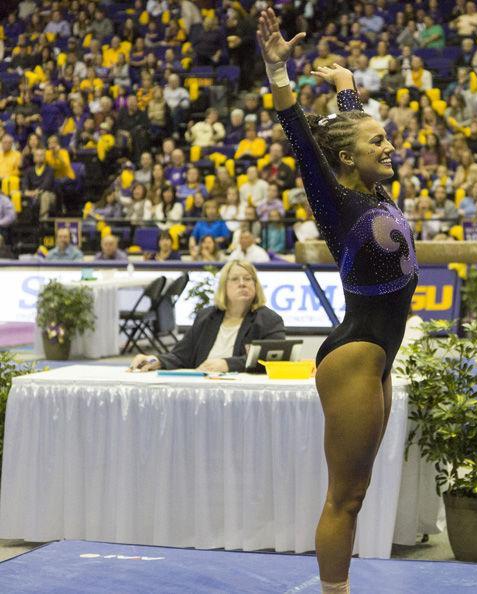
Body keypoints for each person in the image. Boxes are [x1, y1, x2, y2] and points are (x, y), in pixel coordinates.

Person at [258, 10, 418, 594]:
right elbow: (303, 136)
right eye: (379, 140)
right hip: (355, 353)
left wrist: (348, 88)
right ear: (349, 159)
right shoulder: (339, 204)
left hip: (379, 355)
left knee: (358, 491)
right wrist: (278, 68)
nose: (390, 144)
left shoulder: (372, 187)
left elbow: (348, 132)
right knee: (344, 496)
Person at [129, 259, 285, 372]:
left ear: (255, 286)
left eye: (248, 279)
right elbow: (182, 355)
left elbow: (274, 359)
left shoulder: (269, 320)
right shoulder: (206, 317)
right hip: (202, 386)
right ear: (224, 286)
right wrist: (157, 360)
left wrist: (227, 364)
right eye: (235, 279)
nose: (242, 283)